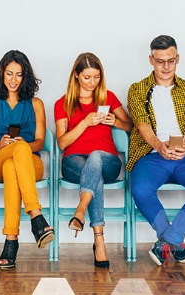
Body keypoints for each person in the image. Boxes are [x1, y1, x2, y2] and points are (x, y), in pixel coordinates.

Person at [127, 35, 185, 266]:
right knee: (140, 188)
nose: (166, 66)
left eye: (170, 60)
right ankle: (175, 243)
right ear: (151, 60)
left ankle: (168, 241)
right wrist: (159, 146)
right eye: (160, 61)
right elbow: (142, 125)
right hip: (151, 155)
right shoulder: (137, 89)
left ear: (178, 58)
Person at [54, 52, 132, 268]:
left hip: (108, 161)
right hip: (74, 162)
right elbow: (62, 143)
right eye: (87, 77)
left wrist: (115, 121)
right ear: (76, 75)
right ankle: (99, 240)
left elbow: (129, 126)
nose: (92, 82)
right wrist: (84, 123)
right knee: (93, 172)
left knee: (96, 157)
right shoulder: (63, 103)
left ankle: (81, 209)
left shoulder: (108, 97)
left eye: (96, 77)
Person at [0, 50, 54, 270]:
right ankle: (36, 215)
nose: (13, 79)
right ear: (2, 74)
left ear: (25, 77)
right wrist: (0, 145)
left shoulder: (36, 104)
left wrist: (22, 145)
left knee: (12, 163)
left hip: (30, 162)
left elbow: (40, 142)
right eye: (9, 73)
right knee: (9, 158)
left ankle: (11, 240)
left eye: (19, 74)